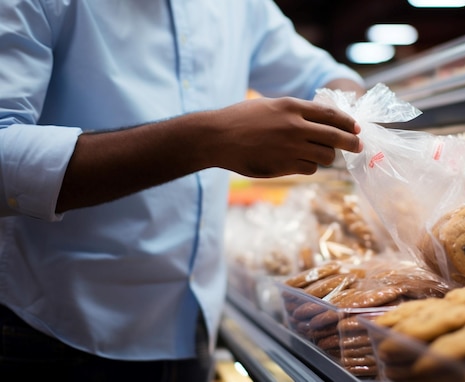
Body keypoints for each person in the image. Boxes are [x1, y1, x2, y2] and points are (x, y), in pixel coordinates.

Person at [0, 1, 365, 381]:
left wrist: (353, 114)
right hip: (56, 334)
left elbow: (322, 76)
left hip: (194, 328)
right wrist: (209, 140)